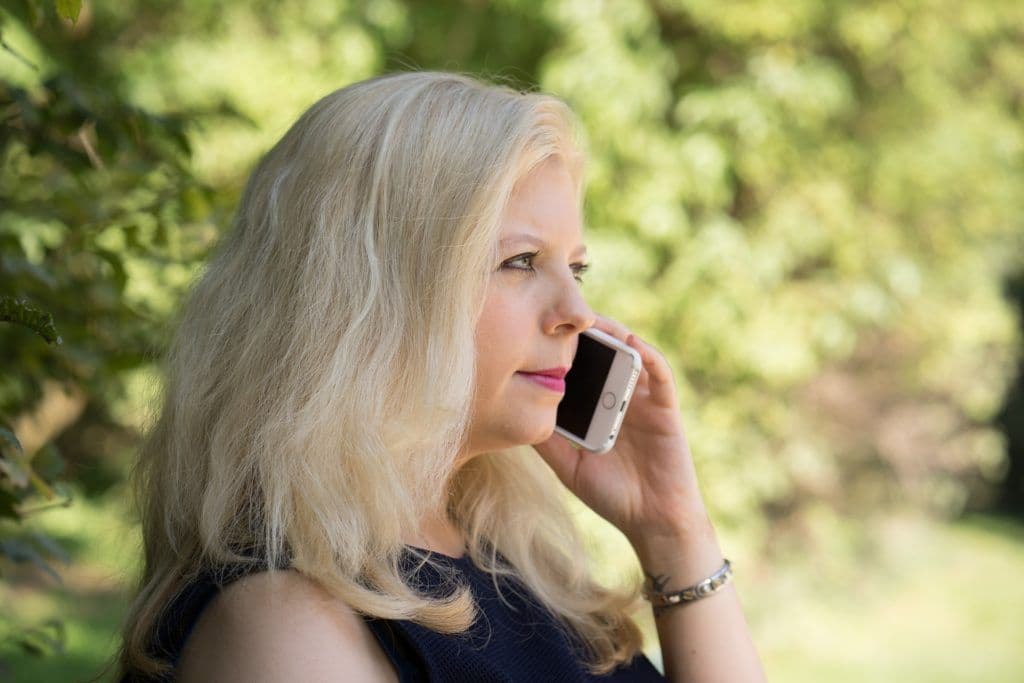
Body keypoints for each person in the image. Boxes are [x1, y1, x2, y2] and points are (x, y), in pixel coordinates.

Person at [115, 70, 766, 682]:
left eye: (576, 267)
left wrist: (674, 530)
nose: (577, 312)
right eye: (519, 261)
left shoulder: (513, 560)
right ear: (367, 293)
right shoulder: (284, 626)